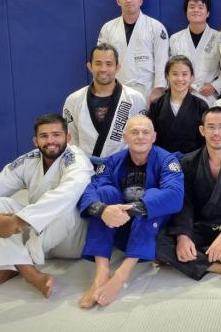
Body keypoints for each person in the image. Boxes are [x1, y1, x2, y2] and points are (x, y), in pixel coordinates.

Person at [0, 114, 93, 297]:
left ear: (68, 137)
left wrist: (17, 221)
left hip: (71, 240)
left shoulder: (77, 160)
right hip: (37, 234)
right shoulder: (28, 160)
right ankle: (30, 272)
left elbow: (67, 194)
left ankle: (16, 266)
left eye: (56, 134)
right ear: (35, 141)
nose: (50, 141)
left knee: (67, 206)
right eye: (44, 136)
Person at [78, 115, 183, 308]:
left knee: (153, 196)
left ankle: (121, 274)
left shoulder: (167, 160)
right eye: (134, 132)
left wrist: (133, 209)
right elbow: (91, 190)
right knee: (105, 192)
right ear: (125, 137)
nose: (140, 136)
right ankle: (102, 272)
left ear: (154, 137)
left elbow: (175, 195)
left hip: (152, 229)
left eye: (145, 132)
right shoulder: (113, 161)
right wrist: (103, 210)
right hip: (119, 227)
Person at [156, 107, 221, 280]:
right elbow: (184, 203)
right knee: (158, 241)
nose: (216, 132)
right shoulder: (188, 162)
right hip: (200, 227)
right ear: (202, 130)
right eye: (211, 127)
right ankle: (218, 266)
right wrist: (183, 236)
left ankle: (190, 258)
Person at [63, 44, 146, 160]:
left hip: (122, 164)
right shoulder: (73, 100)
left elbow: (141, 137)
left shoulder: (135, 98)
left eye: (109, 64)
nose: (103, 69)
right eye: (98, 63)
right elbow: (71, 139)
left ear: (117, 67)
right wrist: (79, 164)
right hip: (86, 165)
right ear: (90, 66)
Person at [97, 0, 169, 102]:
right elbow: (101, 60)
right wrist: (102, 87)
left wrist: (159, 89)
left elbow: (162, 60)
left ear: (140, 1)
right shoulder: (108, 28)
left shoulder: (156, 27)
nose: (129, 0)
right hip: (116, 89)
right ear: (118, 1)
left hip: (148, 90)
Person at [169, 0, 221, 106]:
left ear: (208, 13)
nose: (196, 10)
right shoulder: (175, 38)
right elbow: (170, 69)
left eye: (200, 7)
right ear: (186, 12)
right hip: (181, 93)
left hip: (208, 96)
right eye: (192, 7)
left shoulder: (219, 38)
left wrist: (215, 87)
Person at [147, 55, 208, 155]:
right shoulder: (156, 105)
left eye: (184, 74)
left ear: (191, 77)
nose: (180, 79)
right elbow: (150, 136)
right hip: (163, 160)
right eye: (175, 74)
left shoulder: (201, 106)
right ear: (167, 76)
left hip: (192, 160)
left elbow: (205, 140)